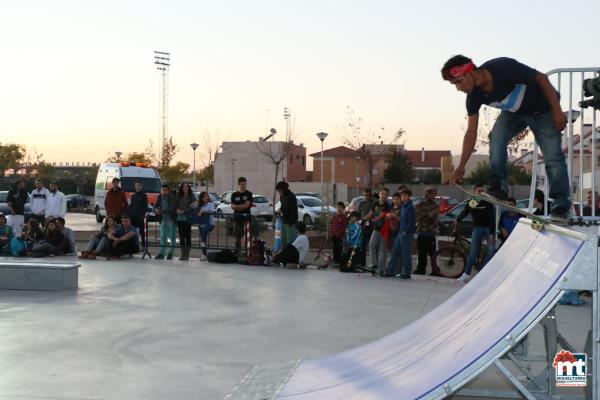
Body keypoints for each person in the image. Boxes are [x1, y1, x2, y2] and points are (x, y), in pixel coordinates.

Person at [443, 55, 571, 218]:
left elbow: (542, 78)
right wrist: (461, 166)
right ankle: (499, 187)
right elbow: (471, 133)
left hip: (543, 109)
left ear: (469, 72)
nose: (458, 88)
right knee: (496, 137)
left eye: (458, 82)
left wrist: (557, 111)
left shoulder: (503, 68)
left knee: (552, 157)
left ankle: (560, 203)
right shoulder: (474, 97)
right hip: (515, 114)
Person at [455, 183, 495, 283]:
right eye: (479, 191)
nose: (481, 193)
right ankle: (465, 275)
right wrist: (457, 219)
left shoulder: (487, 202)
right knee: (473, 253)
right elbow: (465, 211)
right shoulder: (472, 202)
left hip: (487, 229)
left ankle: (482, 272)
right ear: (474, 192)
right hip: (477, 229)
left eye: (482, 191)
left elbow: (492, 219)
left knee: (491, 251)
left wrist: (492, 233)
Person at [383, 189, 416, 279]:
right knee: (394, 252)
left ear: (409, 196)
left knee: (406, 253)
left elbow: (412, 221)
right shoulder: (403, 207)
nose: (403, 197)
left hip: (406, 233)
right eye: (402, 195)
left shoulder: (411, 207)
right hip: (400, 232)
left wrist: (406, 231)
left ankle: (407, 272)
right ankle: (389, 271)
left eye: (405, 195)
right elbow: (400, 219)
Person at [415, 187, 439, 275]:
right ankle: (420, 270)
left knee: (432, 254)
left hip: (430, 233)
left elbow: (432, 215)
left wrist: (424, 214)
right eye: (427, 193)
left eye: (431, 193)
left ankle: (435, 271)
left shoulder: (435, 205)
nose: (428, 195)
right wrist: (425, 214)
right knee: (421, 254)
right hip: (421, 232)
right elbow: (418, 215)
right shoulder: (420, 204)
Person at [367, 187, 391, 274]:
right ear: (379, 194)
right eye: (382, 193)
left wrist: (371, 221)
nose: (384, 195)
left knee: (383, 250)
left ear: (387, 196)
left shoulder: (387, 205)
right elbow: (371, 213)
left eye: (386, 194)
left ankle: (381, 268)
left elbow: (381, 216)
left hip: (384, 229)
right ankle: (374, 264)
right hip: (377, 228)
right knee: (372, 245)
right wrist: (363, 219)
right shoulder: (376, 203)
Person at [154, 183, 177, 260]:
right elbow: (154, 207)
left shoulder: (172, 198)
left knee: (172, 238)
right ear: (161, 191)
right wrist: (156, 210)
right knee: (163, 237)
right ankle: (162, 253)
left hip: (171, 221)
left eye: (166, 190)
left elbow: (172, 208)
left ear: (168, 191)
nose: (164, 192)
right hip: (163, 220)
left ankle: (171, 254)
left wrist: (162, 210)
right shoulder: (159, 197)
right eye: (163, 190)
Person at [231, 177, 253, 251]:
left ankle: (247, 251)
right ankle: (237, 251)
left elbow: (247, 205)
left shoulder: (249, 194)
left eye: (245, 184)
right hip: (237, 218)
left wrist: (237, 207)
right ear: (238, 184)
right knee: (237, 236)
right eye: (242, 184)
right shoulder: (234, 194)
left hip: (247, 218)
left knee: (247, 236)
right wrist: (242, 206)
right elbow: (232, 206)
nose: (243, 186)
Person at [175, 182, 196, 261]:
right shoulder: (178, 196)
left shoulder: (191, 196)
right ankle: (182, 254)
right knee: (181, 236)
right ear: (181, 188)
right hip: (179, 219)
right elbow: (175, 205)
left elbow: (193, 207)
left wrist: (184, 211)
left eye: (187, 187)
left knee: (187, 236)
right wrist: (177, 209)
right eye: (184, 187)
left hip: (188, 219)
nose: (185, 188)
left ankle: (187, 255)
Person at [276, 181, 298, 248]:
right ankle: (284, 257)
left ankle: (290, 257)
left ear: (283, 189)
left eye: (279, 190)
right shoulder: (282, 196)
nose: (278, 192)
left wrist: (291, 222)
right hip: (284, 221)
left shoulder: (292, 196)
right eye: (278, 190)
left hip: (291, 223)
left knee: (289, 242)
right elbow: (283, 207)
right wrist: (279, 210)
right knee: (283, 242)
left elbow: (294, 211)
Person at [357, 188, 376, 266]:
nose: (366, 197)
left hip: (372, 226)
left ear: (371, 195)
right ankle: (362, 263)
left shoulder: (374, 202)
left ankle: (374, 263)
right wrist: (359, 222)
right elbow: (358, 214)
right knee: (362, 246)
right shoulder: (361, 203)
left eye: (368, 195)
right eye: (365, 195)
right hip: (363, 227)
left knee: (373, 246)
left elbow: (374, 213)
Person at [195, 191, 215, 261]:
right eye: (204, 196)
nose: (206, 198)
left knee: (203, 238)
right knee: (202, 240)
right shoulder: (200, 205)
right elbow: (197, 214)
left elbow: (211, 211)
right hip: (201, 224)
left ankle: (205, 254)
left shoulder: (211, 204)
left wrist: (203, 212)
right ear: (201, 198)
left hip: (210, 224)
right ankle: (204, 254)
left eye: (207, 196)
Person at [129, 180, 148, 247]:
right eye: (136, 185)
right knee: (132, 232)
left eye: (139, 185)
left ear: (141, 186)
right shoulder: (133, 195)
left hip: (140, 217)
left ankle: (143, 246)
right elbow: (131, 206)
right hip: (133, 217)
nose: (137, 187)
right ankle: (133, 245)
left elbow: (145, 207)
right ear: (135, 186)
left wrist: (142, 215)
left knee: (142, 232)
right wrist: (130, 214)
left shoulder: (144, 195)